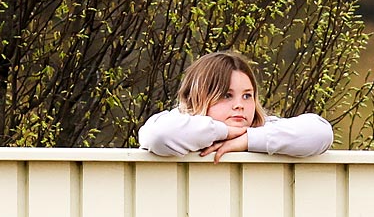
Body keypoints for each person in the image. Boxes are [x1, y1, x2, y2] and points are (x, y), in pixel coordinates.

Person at [138, 50, 332, 161]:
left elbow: (321, 134)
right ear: (198, 96)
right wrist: (222, 132)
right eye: (226, 95)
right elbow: (159, 136)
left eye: (247, 96)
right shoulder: (177, 122)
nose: (239, 105)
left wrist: (248, 139)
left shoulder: (261, 129)